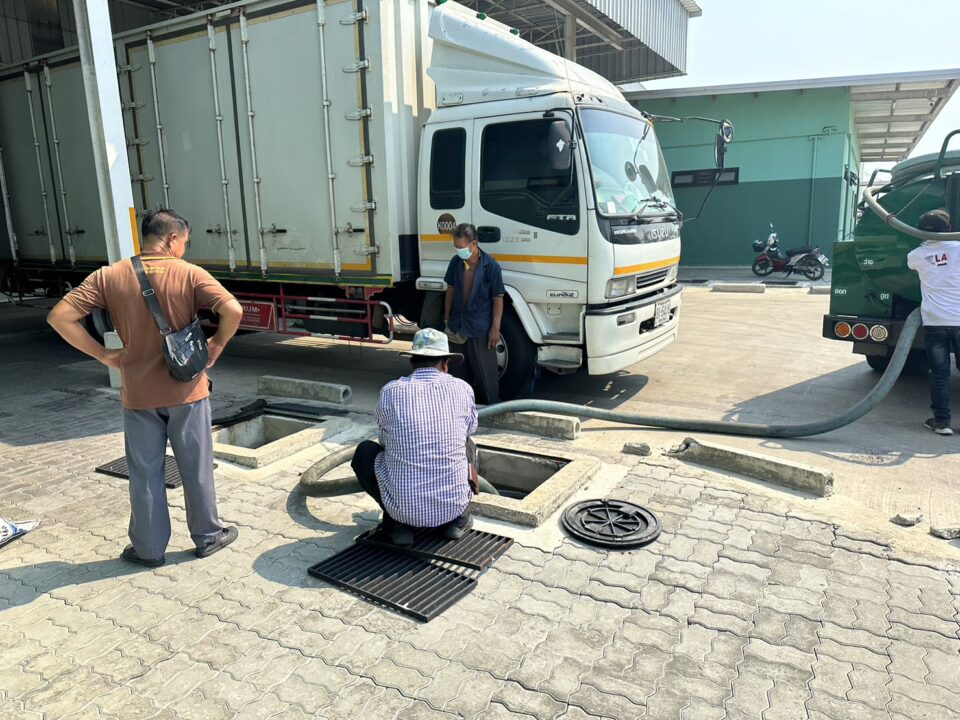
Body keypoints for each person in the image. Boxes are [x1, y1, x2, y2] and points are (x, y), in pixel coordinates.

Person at [47, 209, 245, 566]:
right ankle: (208, 537)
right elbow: (233, 310)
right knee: (196, 469)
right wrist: (217, 343)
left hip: (138, 395)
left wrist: (103, 354)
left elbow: (59, 317)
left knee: (144, 474)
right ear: (172, 239)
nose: (183, 249)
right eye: (184, 243)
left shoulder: (109, 275)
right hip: (188, 392)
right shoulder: (190, 273)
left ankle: (149, 551)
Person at [351, 328, 477, 545]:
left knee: (365, 452)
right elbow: (470, 428)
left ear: (412, 362)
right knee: (469, 444)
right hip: (453, 507)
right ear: (445, 364)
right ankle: (458, 520)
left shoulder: (391, 391)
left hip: (404, 510)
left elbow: (384, 441)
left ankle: (398, 524)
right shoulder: (463, 388)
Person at [907, 208, 960, 436]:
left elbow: (913, 265)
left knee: (939, 374)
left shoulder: (916, 255)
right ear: (949, 229)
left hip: (935, 322)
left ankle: (941, 422)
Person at [443, 223, 505, 405]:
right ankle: (461, 407)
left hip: (480, 327)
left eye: (461, 247)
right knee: (458, 373)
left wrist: (495, 328)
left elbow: (498, 298)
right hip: (458, 325)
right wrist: (446, 318)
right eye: (456, 247)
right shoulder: (456, 262)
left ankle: (491, 408)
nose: (459, 250)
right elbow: (450, 290)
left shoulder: (491, 266)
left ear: (474, 244)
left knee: (486, 375)